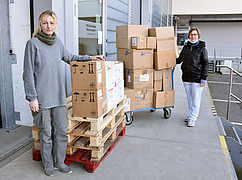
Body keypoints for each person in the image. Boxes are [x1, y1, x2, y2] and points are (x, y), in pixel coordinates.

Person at [23, 10, 104, 176]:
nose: (48, 26)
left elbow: (70, 57)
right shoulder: (33, 44)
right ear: (40, 24)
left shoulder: (57, 42)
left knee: (61, 132)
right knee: (45, 134)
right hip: (42, 99)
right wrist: (32, 98)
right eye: (45, 23)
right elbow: (28, 73)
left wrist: (90, 57)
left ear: (55, 24)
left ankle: (59, 162)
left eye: (51, 23)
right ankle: (48, 165)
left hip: (59, 97)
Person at [176, 27, 209, 127]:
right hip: (186, 77)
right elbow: (179, 60)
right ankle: (191, 115)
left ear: (198, 36)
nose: (193, 36)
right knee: (190, 99)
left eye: (195, 34)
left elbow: (206, 64)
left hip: (197, 78)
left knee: (196, 100)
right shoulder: (186, 47)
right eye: (191, 34)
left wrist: (203, 78)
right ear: (189, 36)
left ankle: (193, 118)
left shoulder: (202, 49)